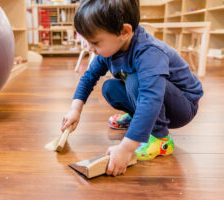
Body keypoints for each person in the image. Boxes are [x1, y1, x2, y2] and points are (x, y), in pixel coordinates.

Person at [61, 0, 203, 177]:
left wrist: (126, 148)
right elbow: (89, 77)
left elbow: (151, 99)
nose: (90, 48)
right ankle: (139, 119)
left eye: (95, 42)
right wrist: (75, 109)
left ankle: (160, 138)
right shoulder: (110, 49)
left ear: (125, 32)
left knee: (135, 81)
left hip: (183, 106)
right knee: (110, 88)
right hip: (153, 97)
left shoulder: (149, 52)